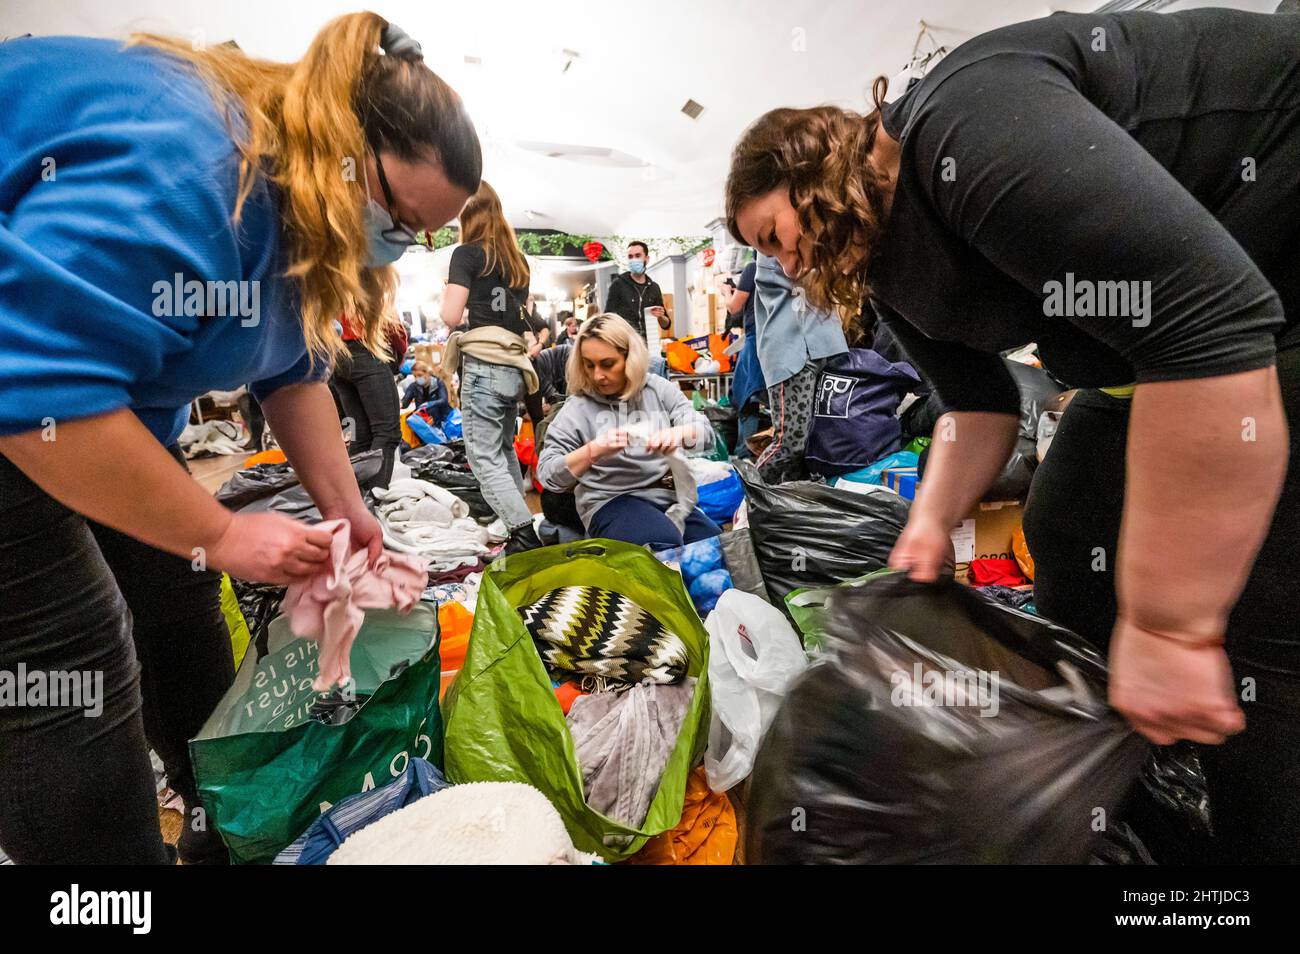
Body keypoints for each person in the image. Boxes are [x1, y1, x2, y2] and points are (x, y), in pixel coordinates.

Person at [727, 8, 1300, 863]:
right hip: (1165, 346)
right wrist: (927, 525)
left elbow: (1205, 327)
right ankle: (1122, 768)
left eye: (775, 236)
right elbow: (977, 405)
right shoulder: (888, 267)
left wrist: (1172, 628)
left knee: (1258, 607)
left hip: (1266, 282)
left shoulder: (969, 123)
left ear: (815, 171)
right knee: (1065, 522)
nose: (786, 267)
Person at [0, 13, 479, 865]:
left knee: (177, 591)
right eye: (399, 219)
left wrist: (346, 510)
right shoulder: (195, 168)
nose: (401, 245)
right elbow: (38, 390)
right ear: (344, 147)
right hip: (28, 405)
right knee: (71, 660)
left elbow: (290, 373)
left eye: (420, 235)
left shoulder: (296, 211)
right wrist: (221, 533)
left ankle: (223, 821)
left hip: (74, 406)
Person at [537, 313, 720, 549]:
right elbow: (548, 474)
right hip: (609, 502)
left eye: (607, 364)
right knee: (662, 544)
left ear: (629, 358)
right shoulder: (577, 409)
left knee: (719, 548)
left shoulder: (657, 389)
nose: (597, 375)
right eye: (589, 365)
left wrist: (680, 434)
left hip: (665, 498)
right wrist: (593, 450)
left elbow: (705, 434)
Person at [441, 180, 546, 553]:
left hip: (484, 364)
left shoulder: (466, 255)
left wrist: (449, 291)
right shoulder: (518, 261)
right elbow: (518, 315)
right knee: (502, 451)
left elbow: (450, 316)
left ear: (466, 216)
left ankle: (523, 535)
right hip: (513, 369)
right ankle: (516, 525)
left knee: (484, 457)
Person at [750, 253, 847, 482]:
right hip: (791, 353)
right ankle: (749, 495)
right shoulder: (776, 246)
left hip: (824, 346)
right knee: (791, 442)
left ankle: (794, 506)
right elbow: (803, 272)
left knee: (813, 446)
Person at [330, 313, 407, 487]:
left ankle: (357, 499)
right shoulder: (362, 285)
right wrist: (400, 351)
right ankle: (373, 497)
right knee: (387, 433)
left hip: (337, 356)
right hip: (366, 349)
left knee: (360, 435)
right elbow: (389, 320)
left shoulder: (326, 286)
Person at [722, 260, 767, 459]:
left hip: (756, 341)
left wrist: (726, 292)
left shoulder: (754, 268)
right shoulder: (788, 266)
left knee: (746, 398)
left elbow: (734, 308)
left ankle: (745, 457)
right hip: (777, 341)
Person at [602, 241, 672, 340]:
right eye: (630, 257)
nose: (634, 260)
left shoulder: (654, 287)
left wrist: (660, 316)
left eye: (638, 255)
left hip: (648, 345)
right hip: (626, 344)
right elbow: (608, 318)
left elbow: (666, 325)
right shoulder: (618, 284)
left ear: (646, 259)